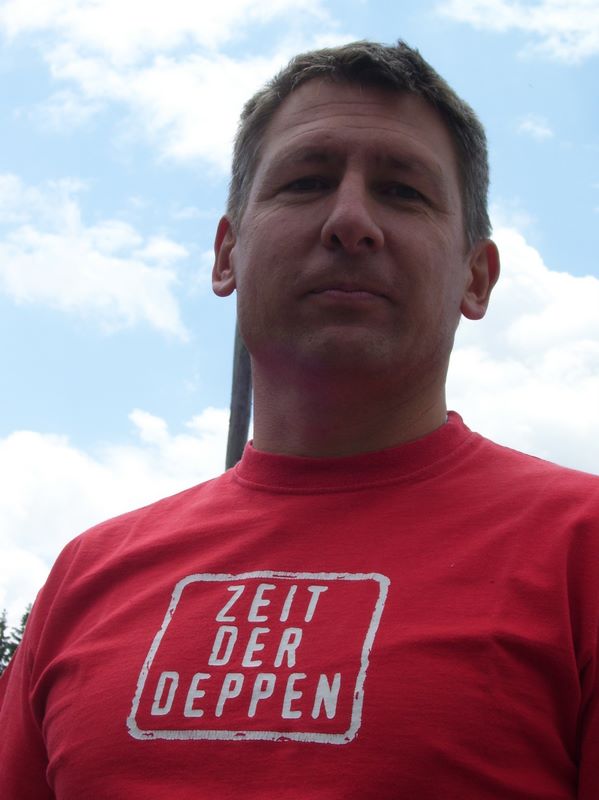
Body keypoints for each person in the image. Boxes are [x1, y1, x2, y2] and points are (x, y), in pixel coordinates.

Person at [1, 40, 598, 799]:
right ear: (227, 255)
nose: (350, 221)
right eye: (306, 182)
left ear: (475, 277)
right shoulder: (86, 576)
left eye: (403, 192)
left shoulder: (583, 549)